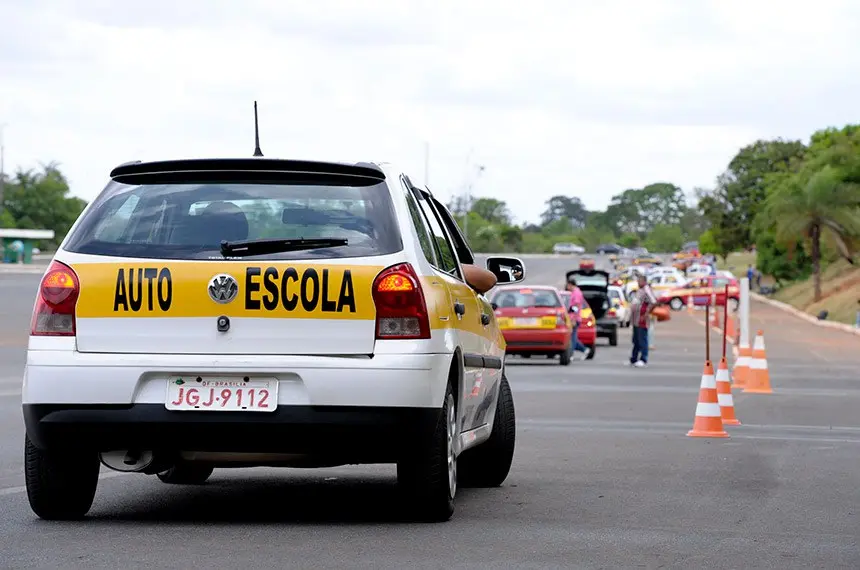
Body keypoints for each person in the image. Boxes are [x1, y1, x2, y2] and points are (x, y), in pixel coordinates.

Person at [628, 272, 657, 367]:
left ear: (644, 281)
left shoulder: (646, 290)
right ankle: (634, 358)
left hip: (642, 319)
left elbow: (653, 302)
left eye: (639, 281)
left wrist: (646, 314)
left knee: (642, 339)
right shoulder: (639, 290)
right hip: (635, 320)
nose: (638, 282)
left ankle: (643, 359)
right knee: (635, 340)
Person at [566, 278, 591, 360]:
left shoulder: (576, 293)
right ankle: (584, 349)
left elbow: (576, 306)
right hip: (572, 318)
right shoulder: (574, 292)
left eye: (568, 285)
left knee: (572, 338)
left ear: (570, 284)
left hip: (575, 319)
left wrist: (573, 319)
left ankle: (571, 354)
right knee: (573, 338)